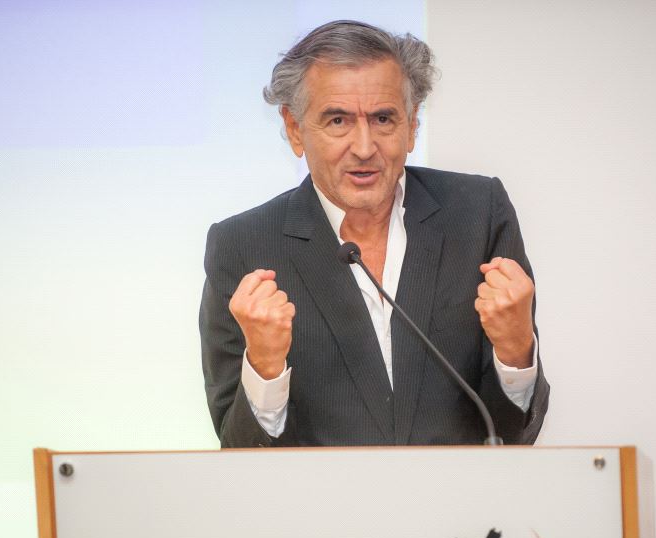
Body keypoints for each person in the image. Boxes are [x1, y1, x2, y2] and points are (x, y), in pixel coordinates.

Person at [200, 20, 549, 447]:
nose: (364, 148)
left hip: (460, 491)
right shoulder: (242, 246)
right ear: (294, 128)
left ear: (412, 126)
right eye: (338, 120)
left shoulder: (478, 214)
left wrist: (516, 351)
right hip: (321, 493)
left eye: (383, 119)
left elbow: (513, 436)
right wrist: (264, 367)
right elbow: (237, 451)